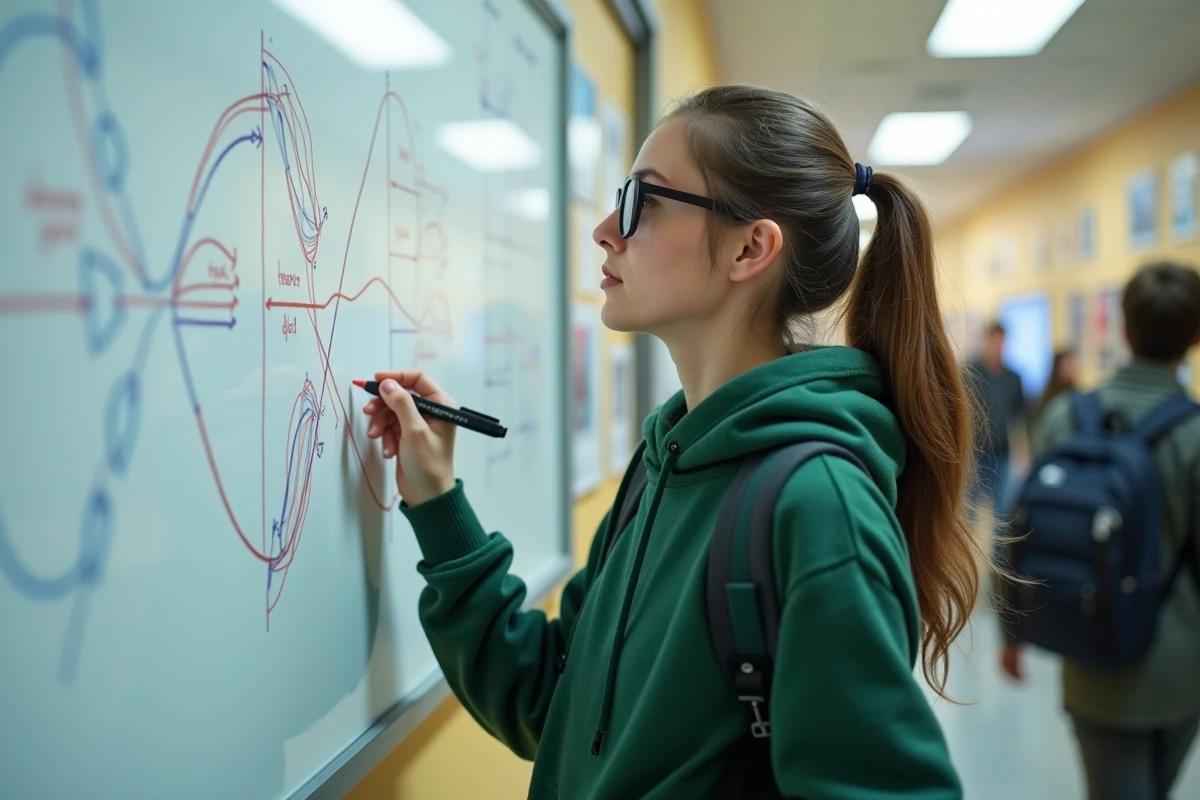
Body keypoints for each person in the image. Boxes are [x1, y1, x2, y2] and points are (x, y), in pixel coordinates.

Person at [361, 85, 982, 798]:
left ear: (751, 247)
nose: (603, 229)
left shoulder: (817, 505)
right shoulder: (666, 460)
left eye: (640, 203)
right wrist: (437, 499)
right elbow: (551, 703)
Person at [1001, 261, 1200, 800]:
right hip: (1181, 663)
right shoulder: (1194, 431)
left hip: (1090, 648)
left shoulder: (1067, 416)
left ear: (1125, 330)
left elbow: (1029, 527)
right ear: (1195, 337)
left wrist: (1011, 630)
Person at [965, 322, 1029, 534]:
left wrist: (1023, 450)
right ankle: (965, 564)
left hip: (1002, 455)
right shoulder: (970, 373)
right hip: (974, 456)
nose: (997, 347)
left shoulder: (1013, 378)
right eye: (993, 341)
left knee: (1002, 514)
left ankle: (998, 564)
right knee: (968, 516)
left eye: (1001, 342)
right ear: (985, 341)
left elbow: (1019, 417)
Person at [1037, 347, 1079, 420]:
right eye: (1067, 364)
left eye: (1072, 364)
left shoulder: (1076, 394)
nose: (1071, 369)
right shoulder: (1048, 397)